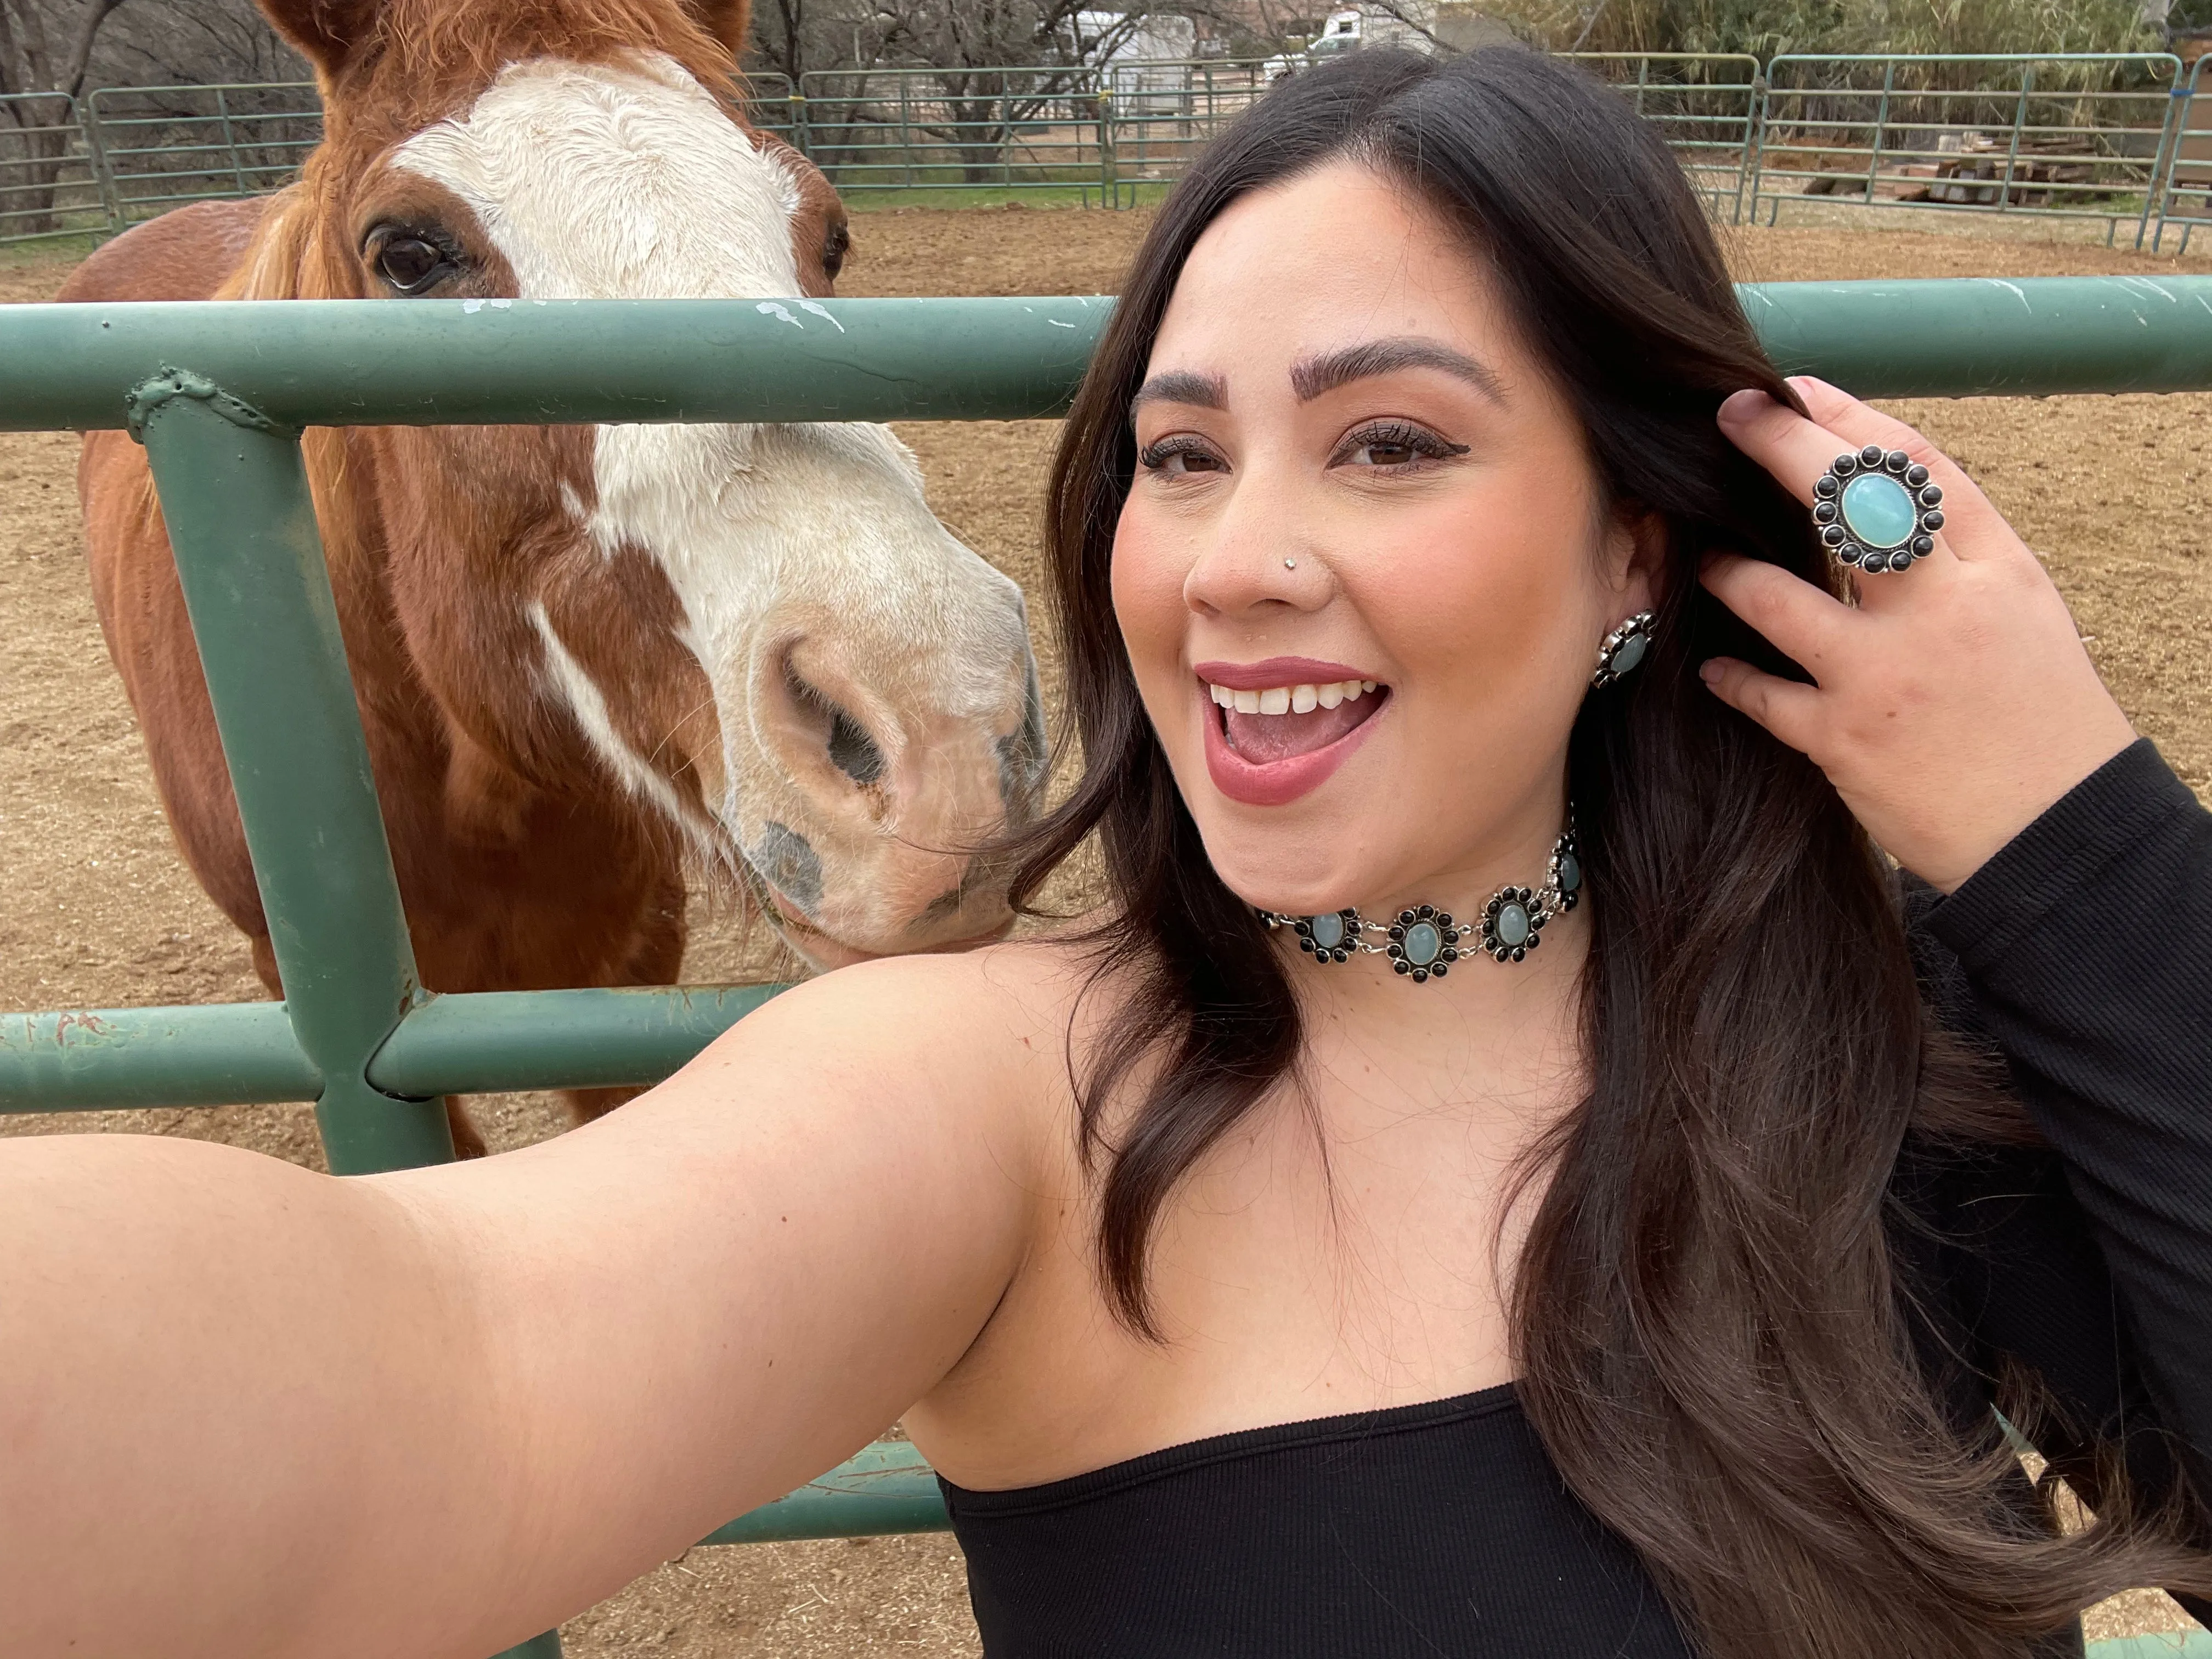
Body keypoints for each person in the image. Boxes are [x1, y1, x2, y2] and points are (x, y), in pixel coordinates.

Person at [6, 46, 2209, 1659]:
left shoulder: (1880, 1031)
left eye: (1391, 441)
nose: (1239, 559)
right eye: (1177, 450)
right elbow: (443, 1364)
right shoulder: (1018, 1096)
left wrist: (2067, 827)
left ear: (1635, 535)